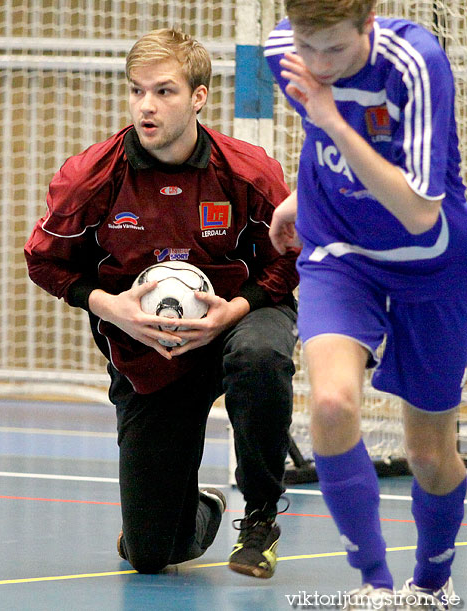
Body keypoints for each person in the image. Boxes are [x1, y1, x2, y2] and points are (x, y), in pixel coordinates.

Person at [25, 28, 299, 577]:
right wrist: (111, 307)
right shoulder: (91, 177)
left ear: (199, 96)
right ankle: (199, 507)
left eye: (164, 91)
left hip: (241, 315)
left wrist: (233, 310)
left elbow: (287, 262)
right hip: (149, 347)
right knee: (150, 554)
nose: (146, 106)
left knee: (262, 357)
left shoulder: (248, 171)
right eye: (137, 91)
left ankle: (262, 516)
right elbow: (45, 260)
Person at [265, 1, 467, 607]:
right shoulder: (284, 52)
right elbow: (318, 140)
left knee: (430, 456)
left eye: (335, 49)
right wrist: (299, 199)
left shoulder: (415, 63)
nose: (319, 64)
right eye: (309, 45)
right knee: (329, 401)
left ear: (369, 23)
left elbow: (418, 208)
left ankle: (429, 582)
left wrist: (331, 118)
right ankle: (374, 584)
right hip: (341, 253)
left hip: (430, 260)